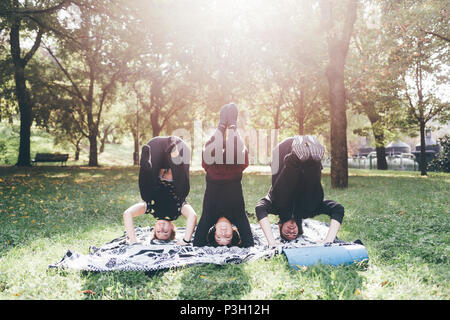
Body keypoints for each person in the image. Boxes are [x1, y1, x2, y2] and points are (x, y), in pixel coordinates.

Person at [255, 135, 345, 246]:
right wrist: (328, 240)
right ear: (299, 230)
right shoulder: (307, 212)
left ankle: (295, 158)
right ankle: (314, 162)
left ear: (279, 226)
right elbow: (338, 209)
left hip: (282, 152)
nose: (291, 231)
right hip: (308, 154)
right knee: (312, 204)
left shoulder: (275, 207)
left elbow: (260, 208)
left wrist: (272, 242)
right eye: (294, 234)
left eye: (287, 234)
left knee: (279, 199)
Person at [193, 103, 254, 248]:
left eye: (219, 237)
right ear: (234, 231)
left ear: (213, 231)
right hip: (234, 169)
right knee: (239, 157)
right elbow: (249, 243)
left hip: (215, 169)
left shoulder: (209, 217)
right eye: (228, 236)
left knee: (208, 156)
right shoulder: (238, 217)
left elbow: (197, 243)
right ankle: (232, 125)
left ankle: (221, 126)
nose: (223, 232)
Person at [123, 136, 197, 245]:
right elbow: (193, 216)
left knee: (146, 196)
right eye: (166, 231)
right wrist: (186, 240)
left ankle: (145, 167)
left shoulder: (152, 209)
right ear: (172, 227)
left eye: (158, 231)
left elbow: (127, 213)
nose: (161, 228)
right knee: (182, 193)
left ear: (154, 228)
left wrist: (133, 239)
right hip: (178, 150)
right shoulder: (177, 211)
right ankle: (174, 153)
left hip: (154, 152)